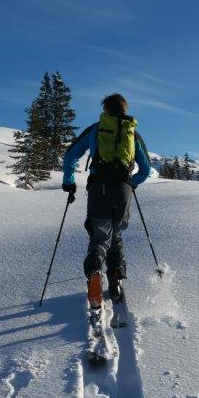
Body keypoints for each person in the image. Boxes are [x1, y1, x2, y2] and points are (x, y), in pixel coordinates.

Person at [62, 93, 151, 308]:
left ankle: (94, 272)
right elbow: (146, 169)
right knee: (116, 234)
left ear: (105, 109)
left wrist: (69, 182)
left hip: (99, 188)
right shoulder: (132, 133)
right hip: (122, 190)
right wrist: (131, 183)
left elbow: (70, 155)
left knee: (100, 235)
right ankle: (116, 278)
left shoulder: (96, 129)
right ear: (124, 109)